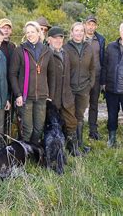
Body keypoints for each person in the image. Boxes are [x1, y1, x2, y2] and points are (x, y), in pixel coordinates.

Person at [9, 21, 55, 144]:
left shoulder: (47, 51)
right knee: (27, 129)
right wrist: (18, 94)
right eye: (27, 32)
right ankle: (24, 154)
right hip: (25, 97)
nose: (30, 34)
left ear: (39, 33)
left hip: (41, 97)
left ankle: (33, 152)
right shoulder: (20, 50)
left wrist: (50, 95)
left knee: (39, 128)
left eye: (32, 32)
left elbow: (51, 75)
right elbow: (12, 74)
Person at [47, 26, 80, 156]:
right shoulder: (46, 53)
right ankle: (55, 152)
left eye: (60, 38)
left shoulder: (66, 53)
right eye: (55, 38)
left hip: (66, 95)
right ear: (49, 39)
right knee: (53, 125)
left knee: (71, 122)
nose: (58, 40)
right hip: (52, 97)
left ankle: (73, 149)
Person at [64, 22, 95, 153]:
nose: (79, 33)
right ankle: (71, 145)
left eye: (81, 31)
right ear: (72, 32)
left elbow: (93, 68)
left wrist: (90, 84)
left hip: (84, 88)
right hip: (69, 89)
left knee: (80, 116)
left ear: (84, 32)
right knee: (70, 117)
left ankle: (80, 144)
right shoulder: (66, 48)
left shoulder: (88, 47)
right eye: (76, 30)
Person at [84, 15, 106, 140]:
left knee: (94, 104)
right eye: (89, 24)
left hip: (96, 77)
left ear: (96, 26)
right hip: (82, 78)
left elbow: (103, 61)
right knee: (80, 105)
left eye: (93, 24)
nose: (91, 27)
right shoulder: (79, 38)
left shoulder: (101, 39)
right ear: (85, 25)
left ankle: (93, 130)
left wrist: (103, 80)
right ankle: (77, 130)